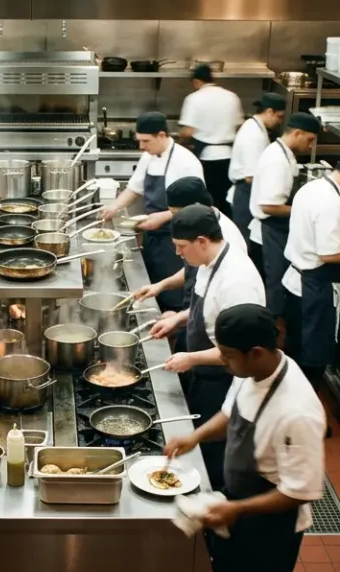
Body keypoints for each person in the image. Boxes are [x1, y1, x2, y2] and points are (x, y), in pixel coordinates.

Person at [163, 304, 324, 572]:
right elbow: (231, 412)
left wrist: (235, 511)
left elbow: (301, 491)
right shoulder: (250, 371)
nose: (222, 361)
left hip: (274, 522)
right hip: (237, 500)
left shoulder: (298, 411)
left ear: (257, 352)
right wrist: (195, 436)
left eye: (227, 356)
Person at [144, 205, 264, 490]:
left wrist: (192, 358)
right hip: (205, 372)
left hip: (225, 378)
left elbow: (240, 350)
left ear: (201, 241)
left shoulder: (238, 281)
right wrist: (178, 319)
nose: (178, 254)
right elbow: (204, 306)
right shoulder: (208, 262)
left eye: (181, 247)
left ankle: (214, 506)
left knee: (214, 453)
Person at [282, 150, 340, 381]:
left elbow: (311, 232)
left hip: (295, 280)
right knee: (312, 357)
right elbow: (328, 254)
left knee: (295, 348)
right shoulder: (333, 203)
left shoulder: (312, 188)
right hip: (313, 288)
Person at [98, 111, 205, 312]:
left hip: (178, 239)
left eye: (145, 141)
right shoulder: (148, 157)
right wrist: (113, 207)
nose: (141, 147)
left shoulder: (187, 162)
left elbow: (199, 207)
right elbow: (134, 188)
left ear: (162, 135)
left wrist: (163, 217)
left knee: (173, 294)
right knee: (153, 284)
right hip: (153, 236)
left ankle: (172, 330)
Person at [132, 177, 249, 355]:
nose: (178, 253)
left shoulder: (225, 240)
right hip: (195, 322)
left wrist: (182, 322)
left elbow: (219, 315)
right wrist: (161, 286)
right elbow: (192, 270)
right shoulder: (202, 229)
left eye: (176, 214)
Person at [253, 112, 320, 358]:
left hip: (275, 229)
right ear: (297, 133)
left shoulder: (282, 153)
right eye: (310, 140)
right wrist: (306, 210)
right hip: (272, 230)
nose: (310, 146)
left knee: (275, 285)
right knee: (275, 287)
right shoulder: (277, 161)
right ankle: (270, 345)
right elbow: (269, 206)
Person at [178, 64, 242, 217]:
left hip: (208, 160)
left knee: (208, 205)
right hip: (229, 158)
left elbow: (188, 131)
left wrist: (178, 142)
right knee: (227, 204)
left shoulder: (194, 98)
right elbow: (239, 126)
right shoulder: (231, 96)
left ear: (196, 81)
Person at [228, 92, 286, 252]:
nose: (279, 121)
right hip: (245, 194)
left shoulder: (256, 129)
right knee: (244, 246)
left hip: (248, 193)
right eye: (279, 117)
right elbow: (250, 177)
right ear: (269, 112)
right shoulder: (253, 134)